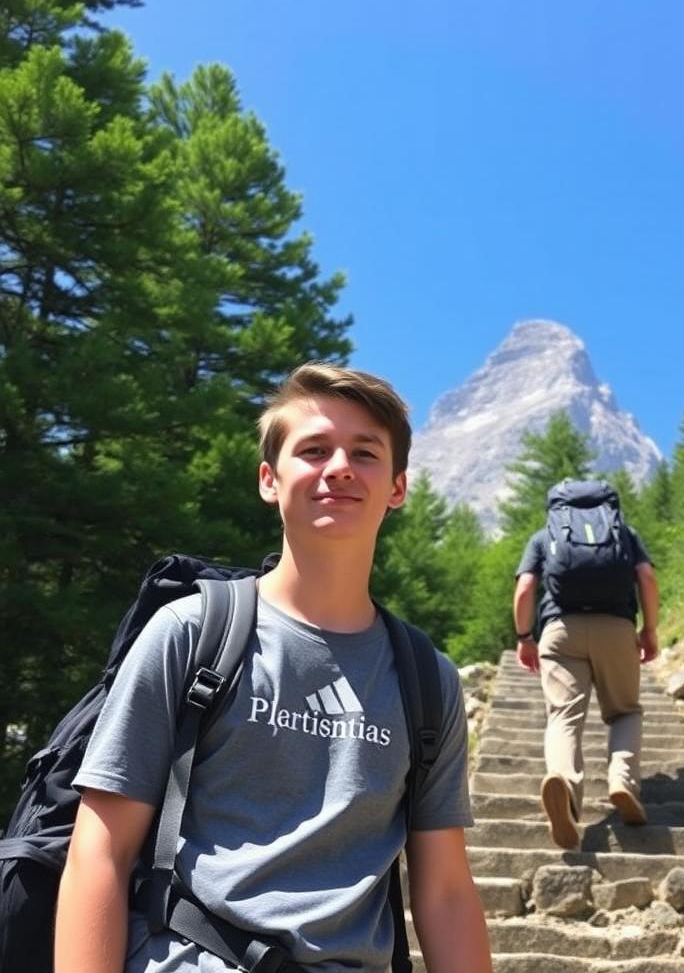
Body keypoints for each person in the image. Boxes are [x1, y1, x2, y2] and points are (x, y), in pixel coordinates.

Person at [54, 363, 492, 973]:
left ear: (397, 487)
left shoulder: (428, 679)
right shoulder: (190, 632)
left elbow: (444, 891)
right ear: (269, 479)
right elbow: (99, 852)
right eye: (313, 449)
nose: (339, 466)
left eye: (365, 453)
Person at [513, 488, 659, 851]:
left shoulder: (545, 535)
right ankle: (622, 781)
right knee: (625, 711)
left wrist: (523, 636)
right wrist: (650, 629)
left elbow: (526, 587)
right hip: (617, 627)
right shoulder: (623, 533)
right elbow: (647, 579)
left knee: (563, 717)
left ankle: (563, 782)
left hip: (560, 631)